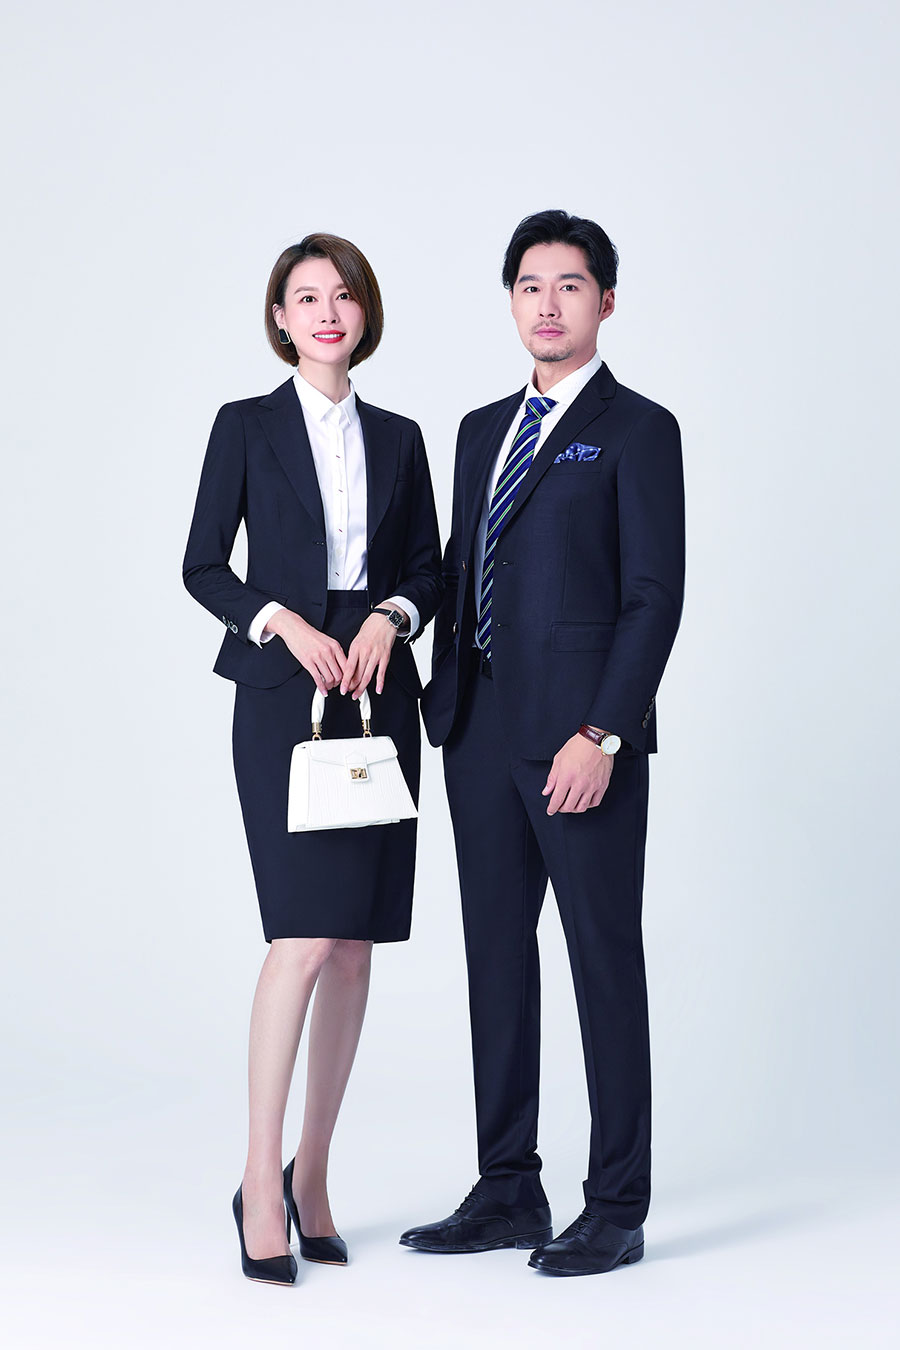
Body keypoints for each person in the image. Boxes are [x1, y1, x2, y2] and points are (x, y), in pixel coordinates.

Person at [404, 209, 685, 1276]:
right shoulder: (482, 429)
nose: (549, 304)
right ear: (511, 302)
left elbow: (653, 597)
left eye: (570, 285)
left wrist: (603, 731)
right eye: (530, 285)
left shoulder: (639, 429)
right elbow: (456, 567)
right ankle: (507, 1187)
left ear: (605, 301)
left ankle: (616, 1204)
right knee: (495, 959)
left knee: (602, 960)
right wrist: (390, 622)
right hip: (476, 732)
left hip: (579, 744)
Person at [183, 233, 442, 1285]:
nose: (327, 311)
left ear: (364, 314)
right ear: (280, 319)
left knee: (355, 947)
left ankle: (314, 1174)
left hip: (379, 693)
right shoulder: (244, 426)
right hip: (285, 694)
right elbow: (203, 565)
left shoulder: (402, 436)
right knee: (300, 936)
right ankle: (258, 1178)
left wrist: (392, 614)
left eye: (343, 295)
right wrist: (283, 622)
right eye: (306, 297)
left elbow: (428, 566)